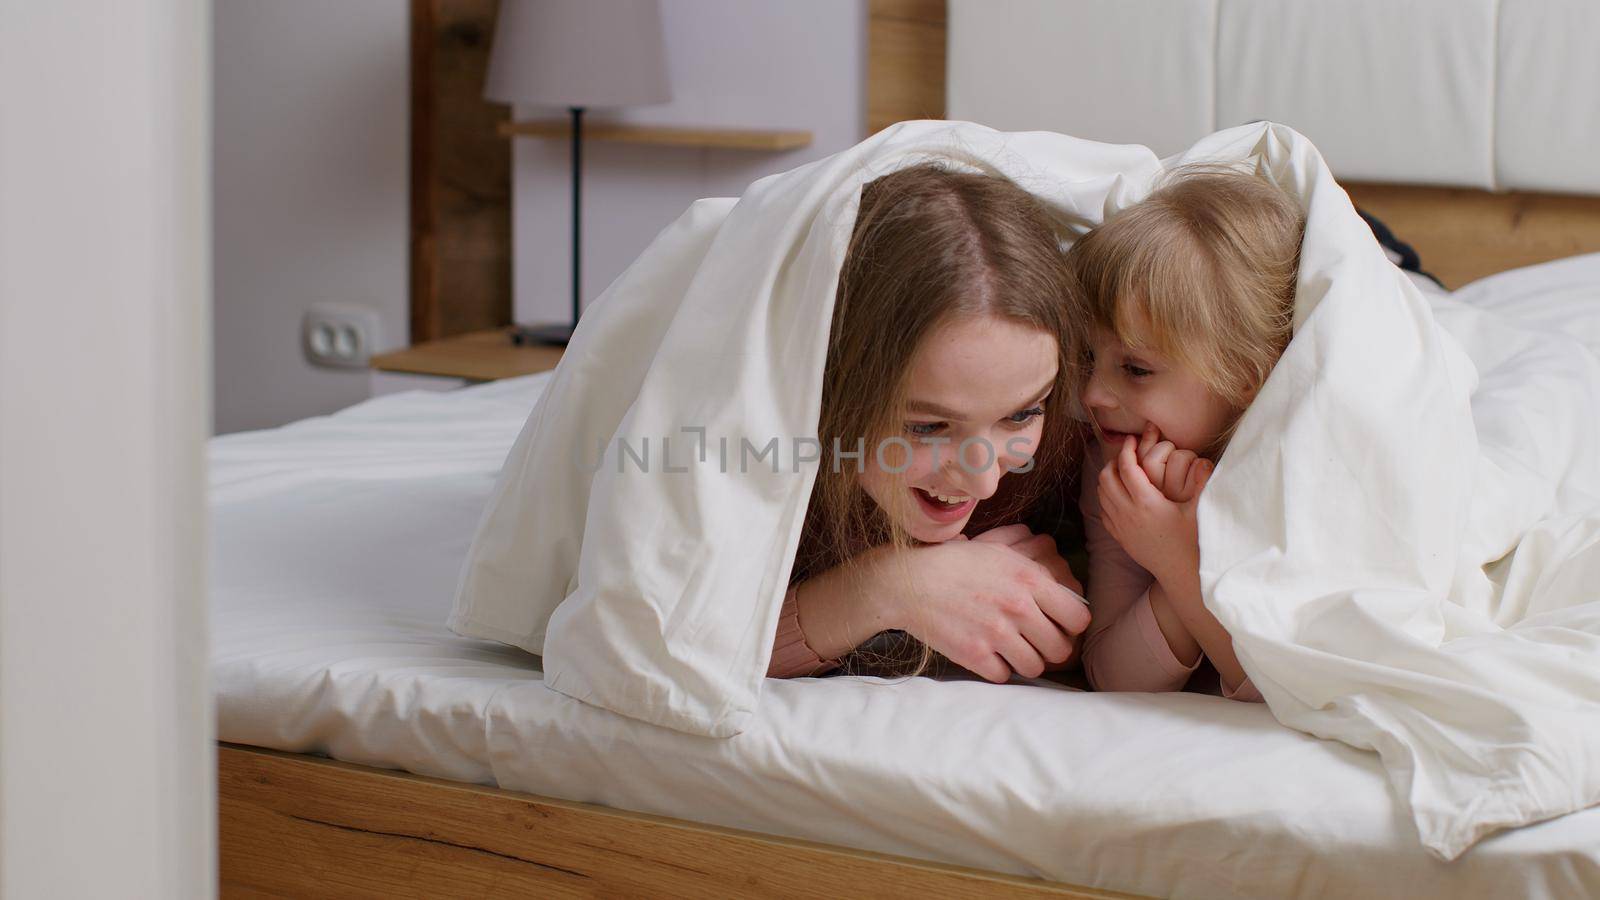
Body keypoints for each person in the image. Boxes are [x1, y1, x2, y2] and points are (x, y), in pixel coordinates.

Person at [766, 163, 1091, 683]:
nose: (983, 482)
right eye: (926, 427)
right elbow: (663, 655)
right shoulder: (760, 458)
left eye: (1023, 412)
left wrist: (1049, 620)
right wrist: (889, 588)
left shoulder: (1070, 458)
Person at [1071, 165, 1306, 702]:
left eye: (1135, 369)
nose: (1091, 395)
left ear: (1245, 379)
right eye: (1087, 356)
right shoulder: (1117, 462)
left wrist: (1177, 558)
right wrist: (1167, 555)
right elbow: (1109, 678)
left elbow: (1289, 691)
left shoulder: (1294, 460)